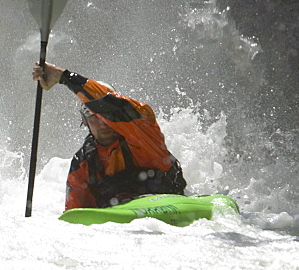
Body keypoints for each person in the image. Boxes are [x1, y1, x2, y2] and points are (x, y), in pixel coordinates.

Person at [32, 62, 186, 210]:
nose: (102, 121)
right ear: (84, 121)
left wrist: (63, 77)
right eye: (91, 114)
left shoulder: (142, 134)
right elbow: (75, 216)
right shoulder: (83, 163)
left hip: (166, 218)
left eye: (106, 114)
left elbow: (108, 103)